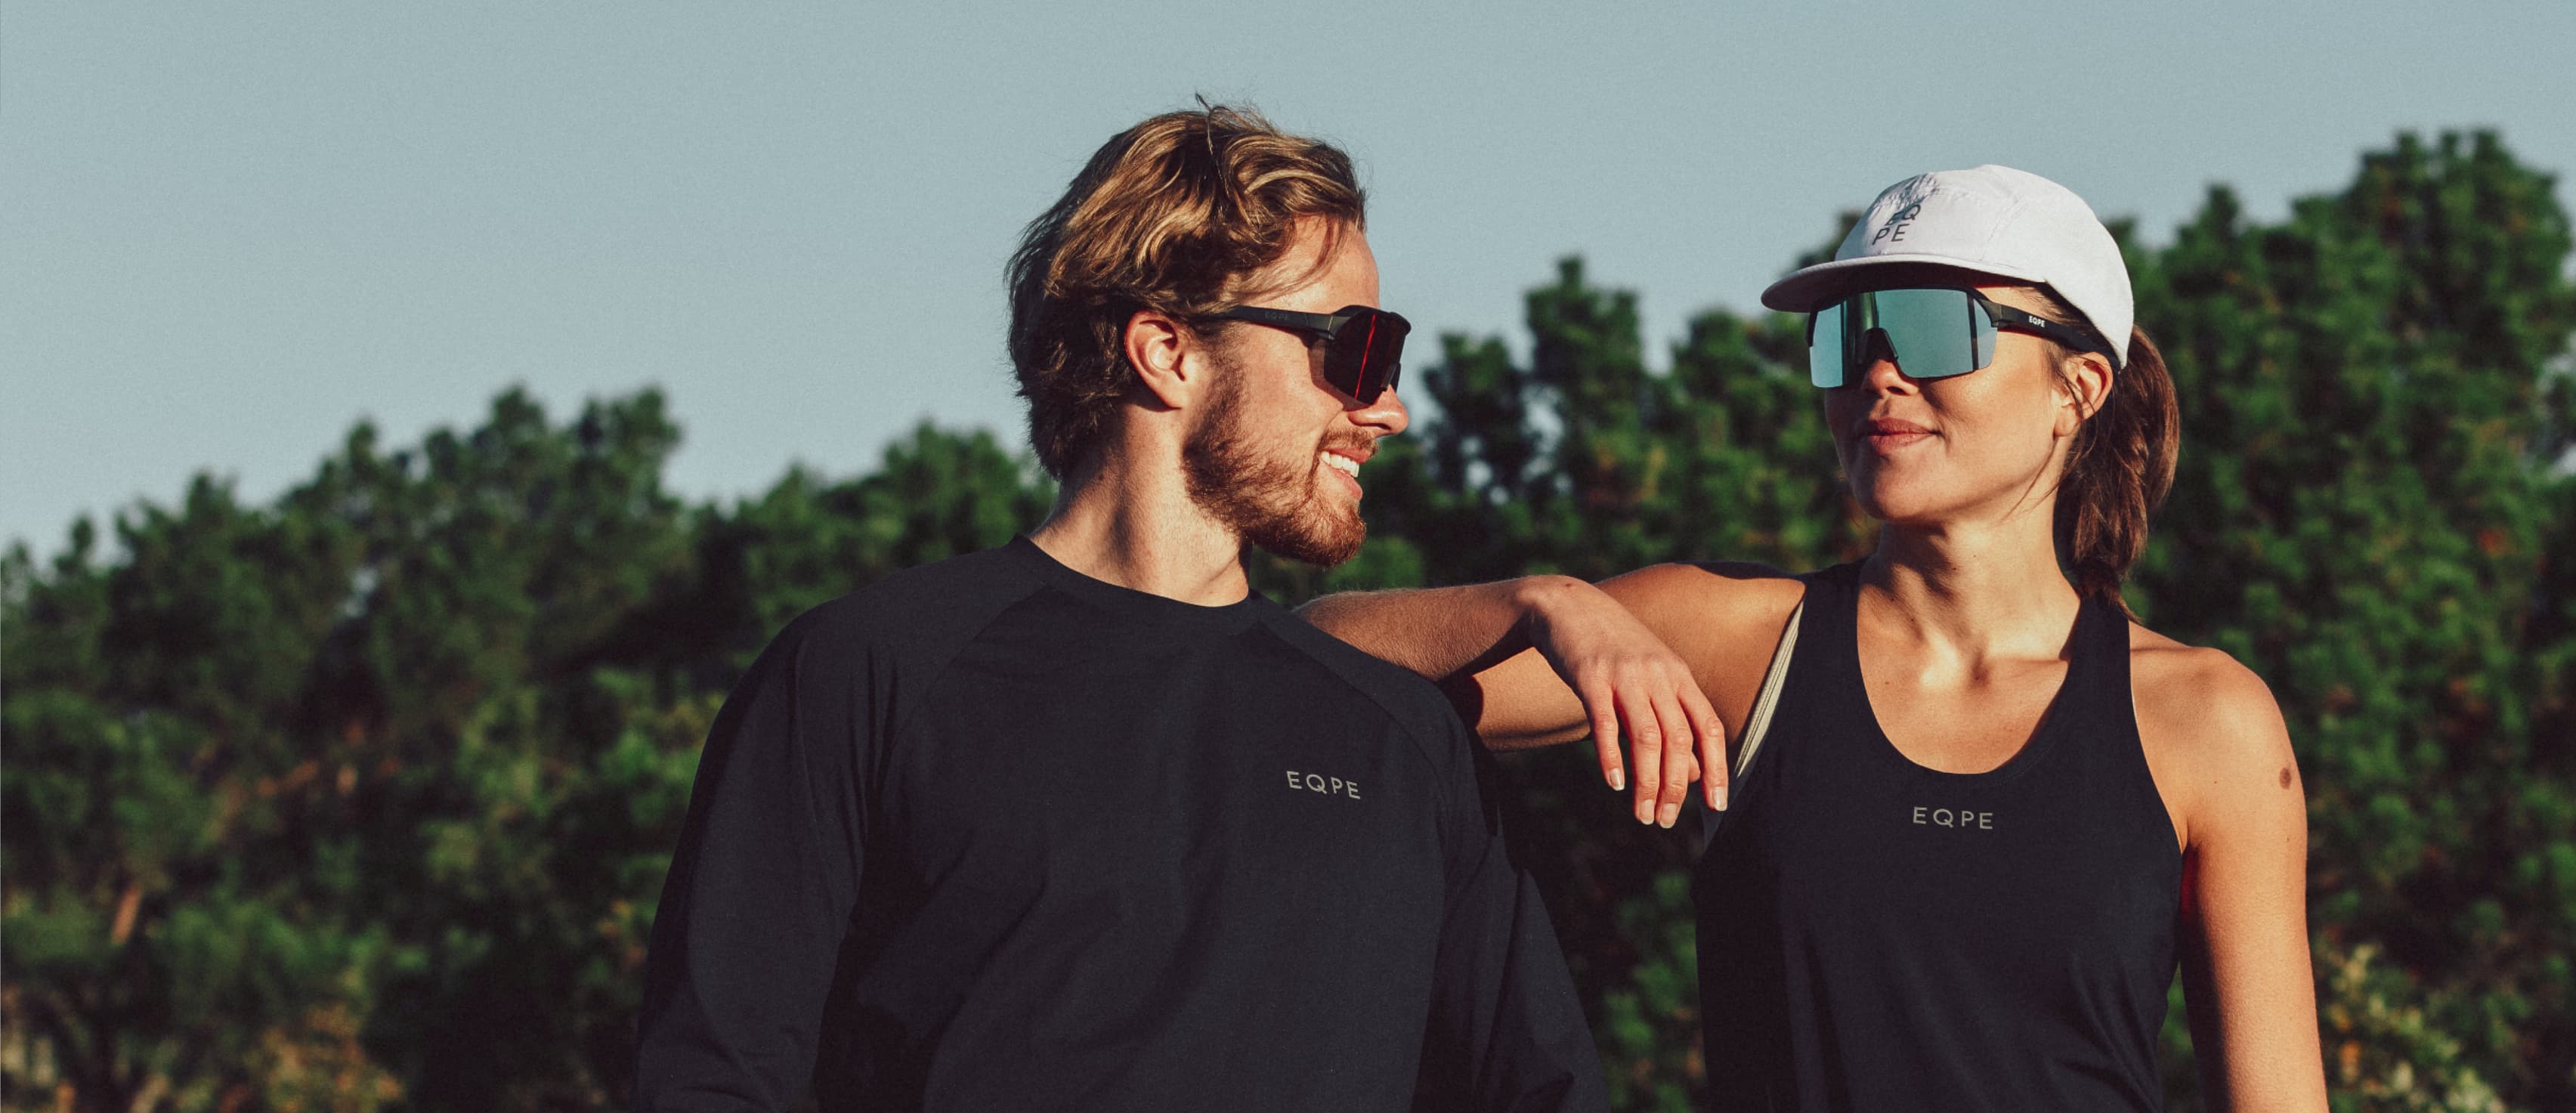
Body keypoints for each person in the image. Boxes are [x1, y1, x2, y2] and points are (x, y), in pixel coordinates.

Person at [633, 105, 1605, 1112]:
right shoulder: (865, 672)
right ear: (1167, 350)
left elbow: (1543, 1089)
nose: (1386, 406)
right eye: (1356, 349)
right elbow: (712, 1077)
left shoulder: (1403, 740)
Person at [1302, 165, 2325, 1110]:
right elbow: (1311, 662)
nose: (1877, 372)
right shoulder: (1735, 641)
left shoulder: (2206, 720)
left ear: (2078, 389)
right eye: (1850, 334)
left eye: (1935, 329)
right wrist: (1549, 603)